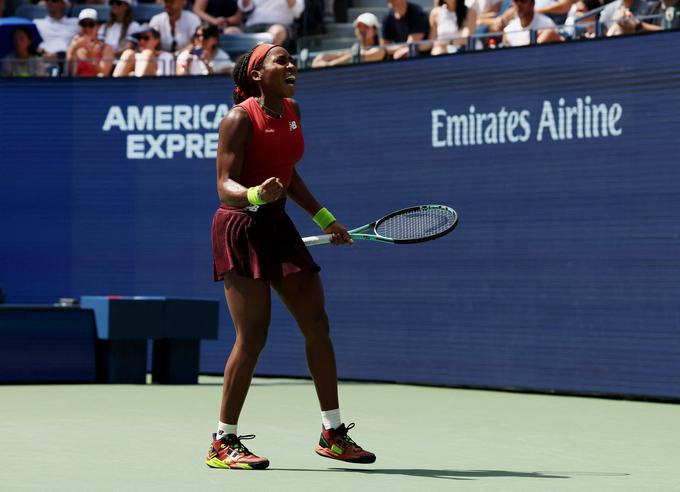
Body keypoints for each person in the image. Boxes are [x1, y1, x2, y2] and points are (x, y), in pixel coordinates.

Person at [206, 43, 376, 470]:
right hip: (239, 228)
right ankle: (222, 442)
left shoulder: (293, 110)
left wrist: (324, 218)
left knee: (317, 324)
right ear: (258, 75)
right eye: (279, 60)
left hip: (277, 225)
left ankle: (332, 434)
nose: (290, 64)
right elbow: (223, 184)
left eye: (290, 59)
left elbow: (289, 171)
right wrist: (253, 194)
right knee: (254, 336)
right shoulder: (239, 119)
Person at [310, 12, 386, 67]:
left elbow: (358, 56)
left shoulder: (379, 51)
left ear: (375, 31)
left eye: (366, 27)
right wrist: (320, 58)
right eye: (359, 27)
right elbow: (341, 54)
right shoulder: (354, 50)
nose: (361, 30)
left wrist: (329, 65)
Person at [66, 8, 114, 76]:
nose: (87, 28)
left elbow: (103, 74)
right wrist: (73, 50)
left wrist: (90, 57)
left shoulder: (106, 48)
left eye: (91, 24)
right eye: (83, 24)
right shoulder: (73, 45)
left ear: (97, 27)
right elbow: (69, 73)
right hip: (77, 85)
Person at [237, 0, 305, 47]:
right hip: (251, 27)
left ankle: (264, 64)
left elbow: (297, 12)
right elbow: (245, 8)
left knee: (277, 32)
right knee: (231, 32)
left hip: (279, 26)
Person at [34, 0, 79, 65]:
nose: (49, 2)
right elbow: (30, 45)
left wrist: (61, 55)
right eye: (47, 0)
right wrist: (41, 53)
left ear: (63, 4)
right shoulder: (36, 23)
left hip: (68, 65)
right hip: (42, 64)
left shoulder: (76, 23)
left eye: (54, 1)